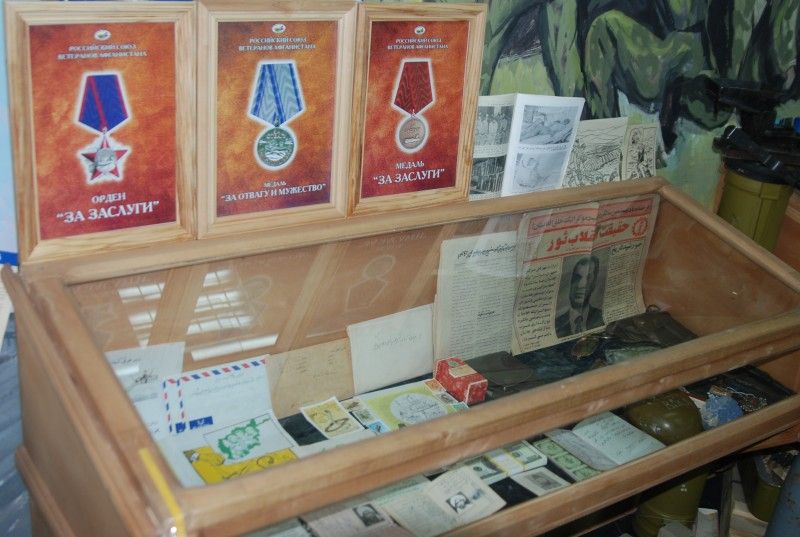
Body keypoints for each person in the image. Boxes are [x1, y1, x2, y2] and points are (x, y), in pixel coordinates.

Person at [554, 255, 604, 337]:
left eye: (588, 278)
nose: (581, 285)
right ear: (571, 281)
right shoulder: (556, 323)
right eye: (577, 278)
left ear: (594, 284)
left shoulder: (602, 317)